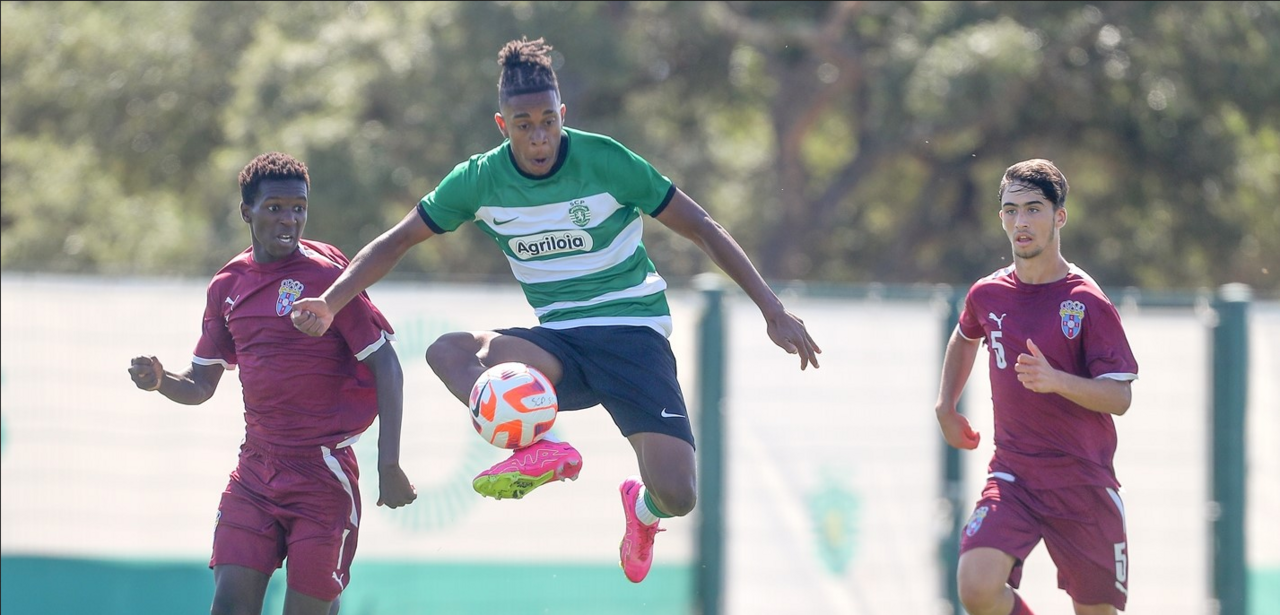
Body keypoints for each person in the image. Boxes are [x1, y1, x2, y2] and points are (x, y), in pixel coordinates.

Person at [290, 37, 821, 583]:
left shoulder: (606, 161)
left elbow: (702, 227)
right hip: (560, 345)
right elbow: (397, 240)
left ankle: (640, 511)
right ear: (503, 125)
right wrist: (331, 301)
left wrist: (772, 309)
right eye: (524, 124)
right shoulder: (479, 180)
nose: (539, 136)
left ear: (563, 115)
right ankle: (544, 445)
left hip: (632, 334)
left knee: (679, 494)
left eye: (548, 121)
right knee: (448, 350)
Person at [127, 152, 418, 615]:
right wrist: (162, 381)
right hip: (256, 472)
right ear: (247, 211)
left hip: (321, 477)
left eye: (299, 207)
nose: (290, 219)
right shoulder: (229, 285)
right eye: (275, 208)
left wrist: (389, 465)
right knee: (228, 606)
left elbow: (387, 365)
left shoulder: (327, 277)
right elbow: (200, 385)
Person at [933, 159, 1139, 615]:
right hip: (1014, 475)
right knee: (976, 585)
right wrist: (946, 405)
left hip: (1082, 482)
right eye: (1010, 211)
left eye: (1033, 209)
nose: (1020, 222)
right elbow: (966, 335)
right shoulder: (987, 294)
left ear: (1059, 216)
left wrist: (1057, 381)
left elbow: (1120, 397)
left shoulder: (1085, 300)